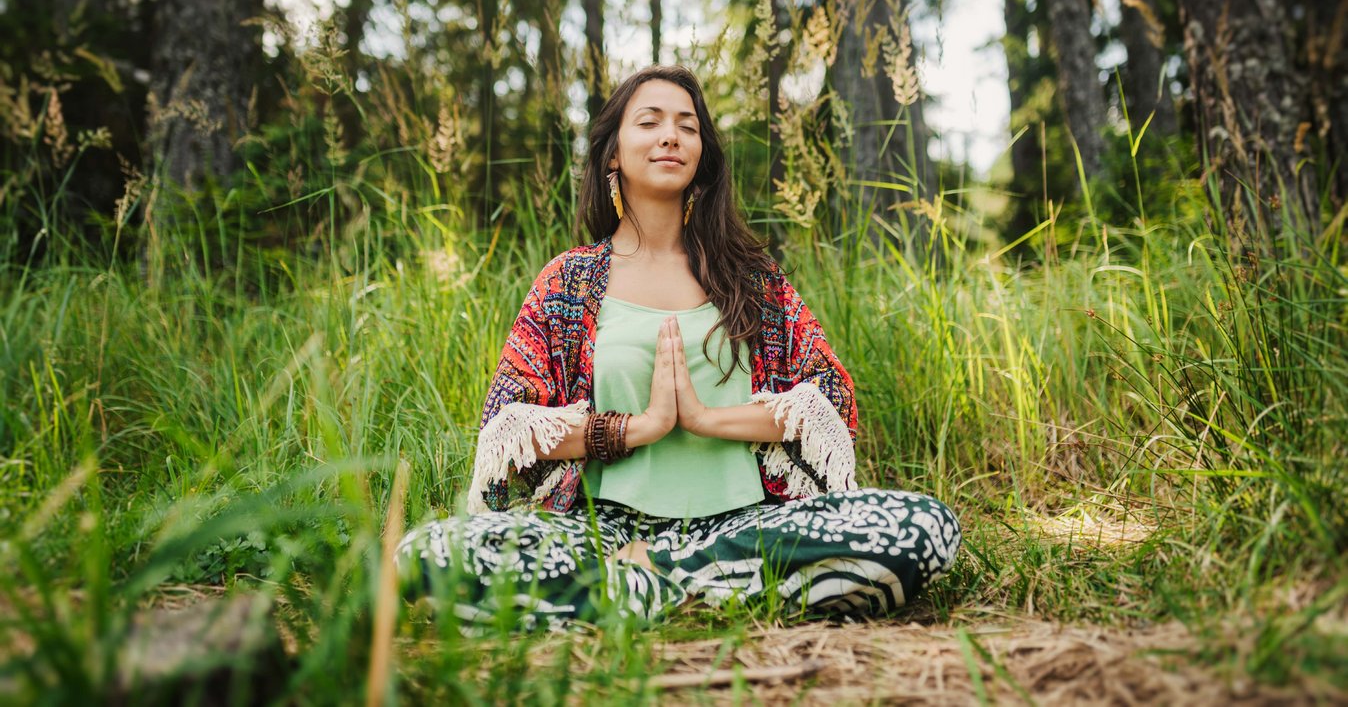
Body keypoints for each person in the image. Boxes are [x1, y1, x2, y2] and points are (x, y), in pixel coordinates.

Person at [396, 65, 960, 628]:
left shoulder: (751, 278)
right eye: (650, 122)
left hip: (743, 524)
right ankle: (710, 588)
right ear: (612, 154)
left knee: (924, 528)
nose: (671, 135)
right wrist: (636, 428)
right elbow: (507, 431)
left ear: (701, 154)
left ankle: (648, 578)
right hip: (601, 527)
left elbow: (830, 401)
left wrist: (706, 418)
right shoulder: (569, 282)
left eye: (687, 126)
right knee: (426, 555)